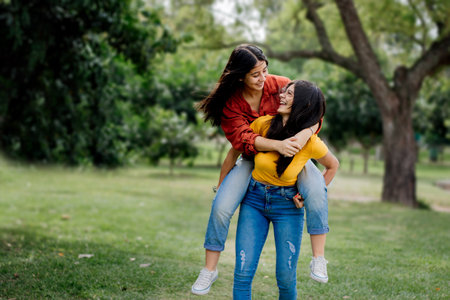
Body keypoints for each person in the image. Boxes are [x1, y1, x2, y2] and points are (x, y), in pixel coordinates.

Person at [191, 44, 329, 296]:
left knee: (318, 189)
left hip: (293, 157)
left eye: (265, 71)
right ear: (240, 75)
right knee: (221, 206)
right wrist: (276, 144)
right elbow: (240, 141)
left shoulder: (282, 85)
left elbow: (312, 109)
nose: (263, 79)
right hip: (252, 159)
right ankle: (209, 270)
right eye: (255, 74)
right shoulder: (231, 103)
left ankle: (319, 258)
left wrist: (306, 133)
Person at [233, 80, 339, 299]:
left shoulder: (310, 142)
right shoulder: (263, 124)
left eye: (289, 94)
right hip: (254, 200)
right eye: (284, 91)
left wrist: (303, 196)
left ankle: (319, 259)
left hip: (288, 207)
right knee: (243, 272)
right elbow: (238, 148)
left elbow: (332, 165)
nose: (281, 96)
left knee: (285, 277)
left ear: (302, 104)